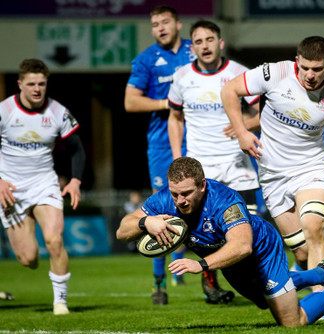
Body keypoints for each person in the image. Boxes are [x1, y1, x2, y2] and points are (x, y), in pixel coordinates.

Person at [116, 157, 324, 326]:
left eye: (186, 193)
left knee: (291, 321)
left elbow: (242, 246)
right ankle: (322, 273)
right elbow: (122, 231)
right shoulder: (164, 200)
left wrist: (202, 265)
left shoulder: (225, 201)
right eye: (175, 194)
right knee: (264, 300)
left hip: (261, 250)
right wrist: (144, 222)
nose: (180, 201)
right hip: (228, 258)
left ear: (203, 185)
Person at [220, 36, 324, 282]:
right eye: (304, 68)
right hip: (272, 175)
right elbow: (230, 90)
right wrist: (241, 133)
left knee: (314, 228)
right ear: (296, 61)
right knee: (301, 252)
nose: (310, 75)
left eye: (317, 69)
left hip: (311, 169)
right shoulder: (275, 73)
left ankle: (323, 304)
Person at [124, 5, 228, 305]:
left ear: (178, 24)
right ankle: (159, 284)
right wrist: (169, 104)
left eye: (165, 22)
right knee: (163, 211)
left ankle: (210, 282)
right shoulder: (146, 60)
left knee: (208, 207)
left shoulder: (196, 49)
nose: (160, 28)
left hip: (198, 140)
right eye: (154, 24)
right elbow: (130, 102)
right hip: (162, 145)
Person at [167, 19, 262, 303]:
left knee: (251, 225)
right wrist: (177, 158)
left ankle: (258, 281)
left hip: (237, 162)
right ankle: (211, 282)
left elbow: (261, 112)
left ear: (220, 43)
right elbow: (175, 118)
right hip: (201, 166)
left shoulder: (239, 72)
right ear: (191, 47)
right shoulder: (182, 76)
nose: (204, 46)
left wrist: (245, 126)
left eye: (210, 40)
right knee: (205, 229)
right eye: (198, 41)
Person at [0, 58, 85, 315]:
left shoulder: (58, 112)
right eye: (31, 84)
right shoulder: (4, 111)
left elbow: (76, 149)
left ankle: (60, 302)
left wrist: (75, 180)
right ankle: (31, 259)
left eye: (42, 84)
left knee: (54, 239)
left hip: (44, 184)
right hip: (10, 190)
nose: (37, 89)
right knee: (29, 259)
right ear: (20, 84)